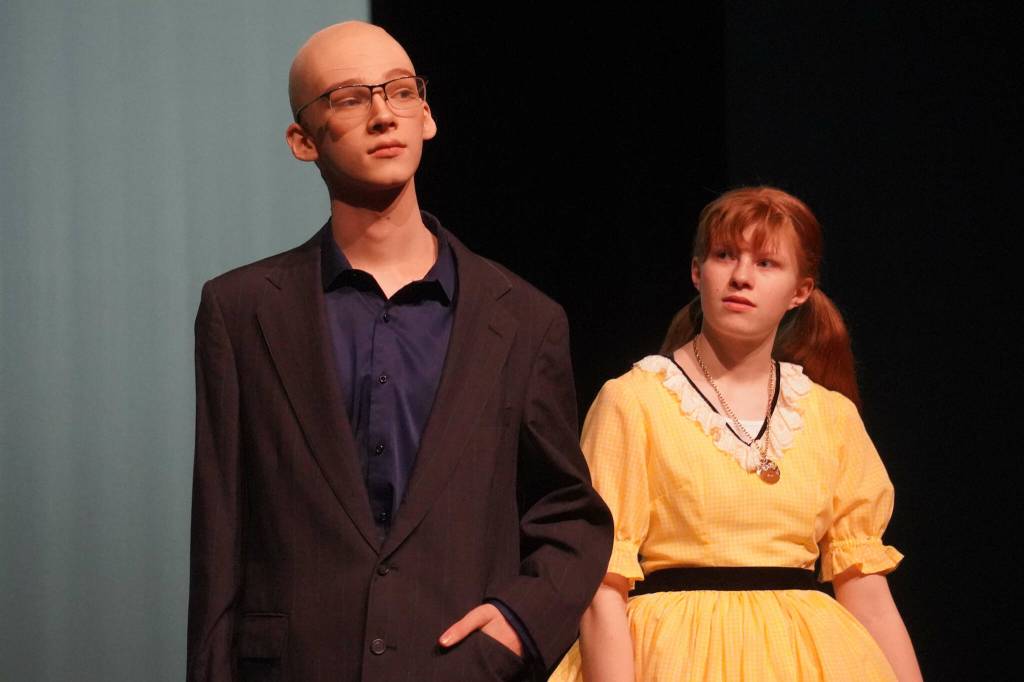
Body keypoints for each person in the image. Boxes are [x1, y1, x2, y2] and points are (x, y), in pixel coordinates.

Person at [185, 21, 612, 682]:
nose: (384, 113)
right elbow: (219, 530)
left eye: (401, 91)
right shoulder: (243, 310)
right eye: (351, 98)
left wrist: (516, 628)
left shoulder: (522, 318)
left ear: (428, 116)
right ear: (303, 141)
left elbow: (572, 518)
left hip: (456, 667)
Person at [549, 187, 922, 681]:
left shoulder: (831, 416)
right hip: (680, 657)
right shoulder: (636, 401)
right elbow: (601, 584)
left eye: (767, 263)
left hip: (813, 660)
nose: (742, 277)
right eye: (726, 256)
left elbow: (867, 593)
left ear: (800, 291)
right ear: (698, 271)